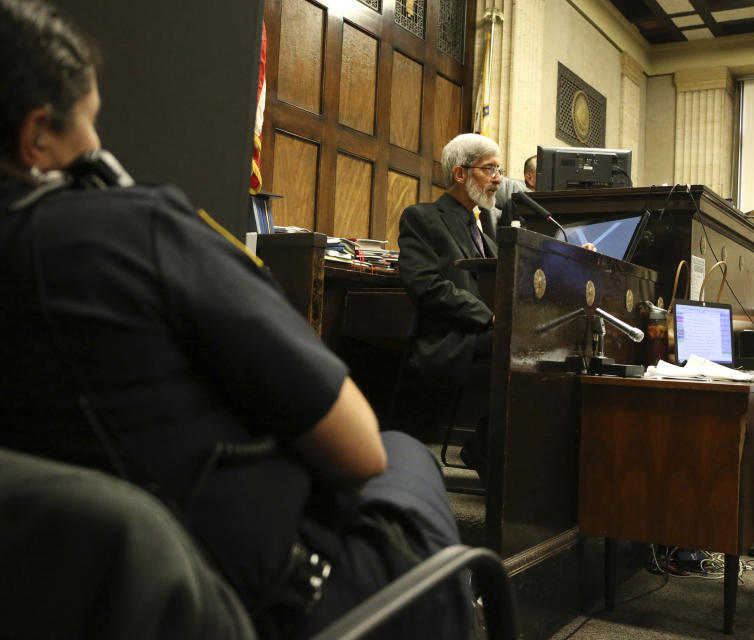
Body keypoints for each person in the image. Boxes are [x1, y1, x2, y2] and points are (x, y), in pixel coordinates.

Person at [0, 1, 469, 638]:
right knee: (402, 452)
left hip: (74, 606)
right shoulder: (135, 230)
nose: (98, 147)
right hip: (278, 604)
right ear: (36, 137)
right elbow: (357, 451)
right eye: (88, 125)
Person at [397, 133, 501, 476]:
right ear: (461, 174)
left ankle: (488, 447)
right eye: (490, 170)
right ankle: (488, 451)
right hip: (451, 338)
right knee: (519, 346)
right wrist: (489, 317)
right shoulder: (423, 217)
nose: (498, 180)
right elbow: (425, 285)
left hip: (486, 333)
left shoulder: (486, 235)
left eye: (499, 170)